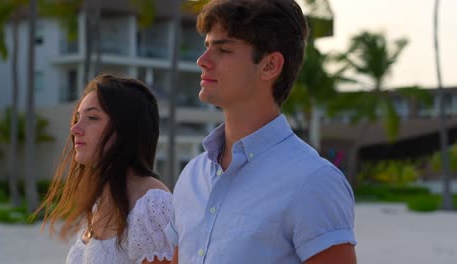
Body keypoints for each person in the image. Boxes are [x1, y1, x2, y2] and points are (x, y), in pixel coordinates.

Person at [165, 0, 357, 263]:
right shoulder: (193, 176)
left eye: (223, 50)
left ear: (269, 65)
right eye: (207, 47)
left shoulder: (313, 181)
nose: (203, 61)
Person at [36, 74, 174, 264]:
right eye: (77, 118)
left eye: (92, 118)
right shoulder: (100, 203)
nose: (75, 129)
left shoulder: (151, 205)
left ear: (127, 128)